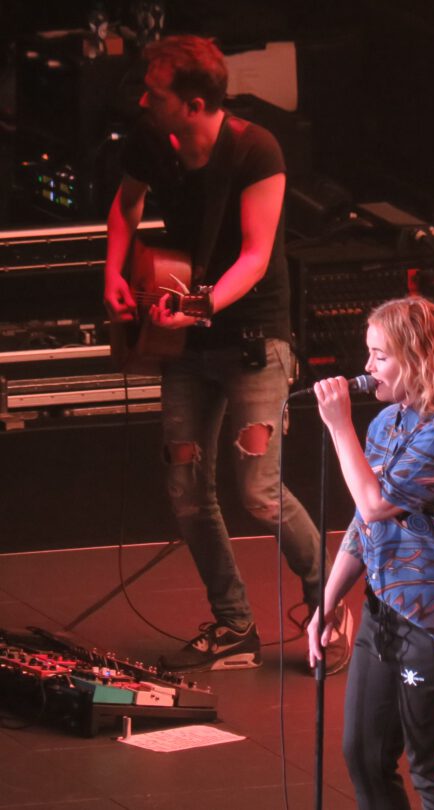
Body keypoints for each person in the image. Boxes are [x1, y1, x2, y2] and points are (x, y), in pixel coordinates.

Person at [103, 35, 352, 674]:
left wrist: (200, 304)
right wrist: (113, 273)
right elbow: (125, 206)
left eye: (155, 94)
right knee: (186, 488)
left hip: (252, 339)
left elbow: (256, 255)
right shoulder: (152, 141)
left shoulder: (254, 148)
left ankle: (328, 603)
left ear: (192, 105)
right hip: (186, 339)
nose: (143, 102)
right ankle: (234, 621)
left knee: (259, 491)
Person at [307, 296, 434, 810]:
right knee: (365, 755)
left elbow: (375, 504)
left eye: (380, 355)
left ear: (417, 359)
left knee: (432, 769)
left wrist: (338, 426)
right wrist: (327, 601)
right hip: (384, 612)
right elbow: (364, 524)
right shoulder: (386, 423)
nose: (367, 367)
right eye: (368, 353)